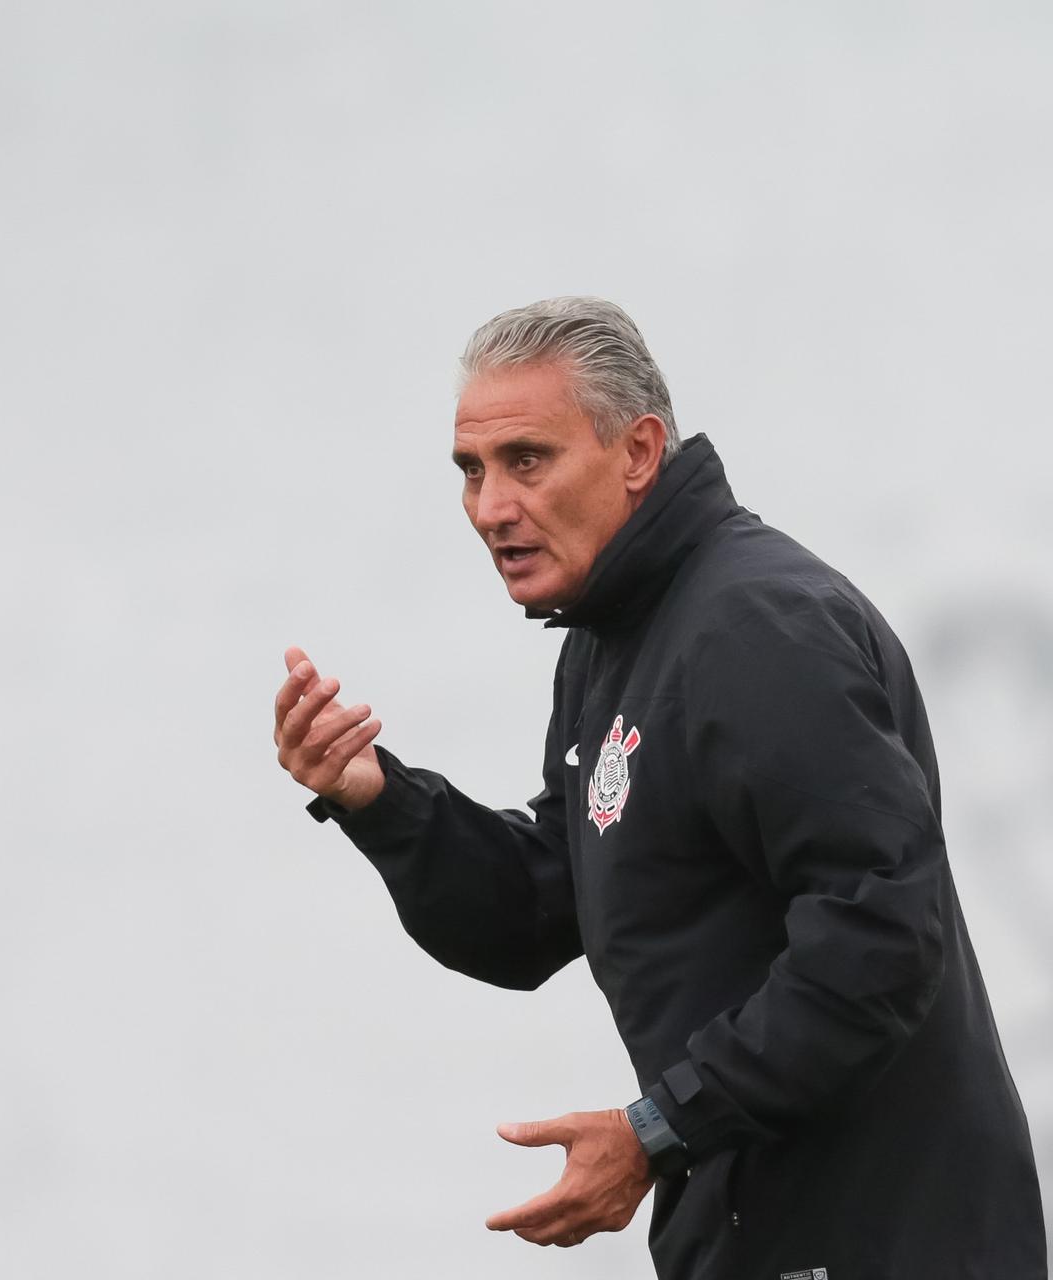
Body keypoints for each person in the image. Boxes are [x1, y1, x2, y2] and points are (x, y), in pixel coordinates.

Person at [273, 296, 1046, 1277]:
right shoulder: (616, 637)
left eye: (527, 459)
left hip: (880, 1243)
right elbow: (537, 907)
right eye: (471, 470)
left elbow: (882, 936)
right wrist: (377, 797)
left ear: (638, 451)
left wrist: (657, 1127)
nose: (490, 506)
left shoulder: (757, 627)